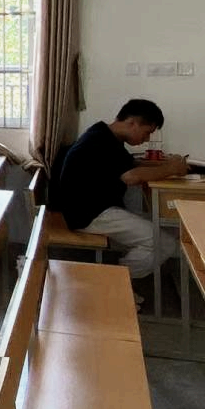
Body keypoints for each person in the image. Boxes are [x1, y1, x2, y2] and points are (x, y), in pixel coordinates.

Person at [56, 99, 187, 286]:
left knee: (169, 229)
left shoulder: (105, 135)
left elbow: (131, 164)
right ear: (132, 122)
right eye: (147, 132)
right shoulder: (101, 141)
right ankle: (112, 285)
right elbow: (131, 177)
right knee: (162, 242)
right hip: (89, 214)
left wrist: (166, 164)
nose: (147, 139)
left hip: (99, 208)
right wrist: (171, 169)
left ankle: (117, 282)